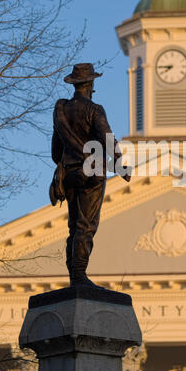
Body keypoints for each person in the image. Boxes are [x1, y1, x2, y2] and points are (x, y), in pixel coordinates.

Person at [51, 63, 130, 287]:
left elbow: (55, 151)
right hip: (92, 172)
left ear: (74, 84)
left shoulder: (61, 110)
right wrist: (120, 166)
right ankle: (79, 276)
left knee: (74, 226)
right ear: (92, 83)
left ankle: (74, 276)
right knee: (86, 226)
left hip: (69, 173)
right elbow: (107, 140)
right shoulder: (94, 110)